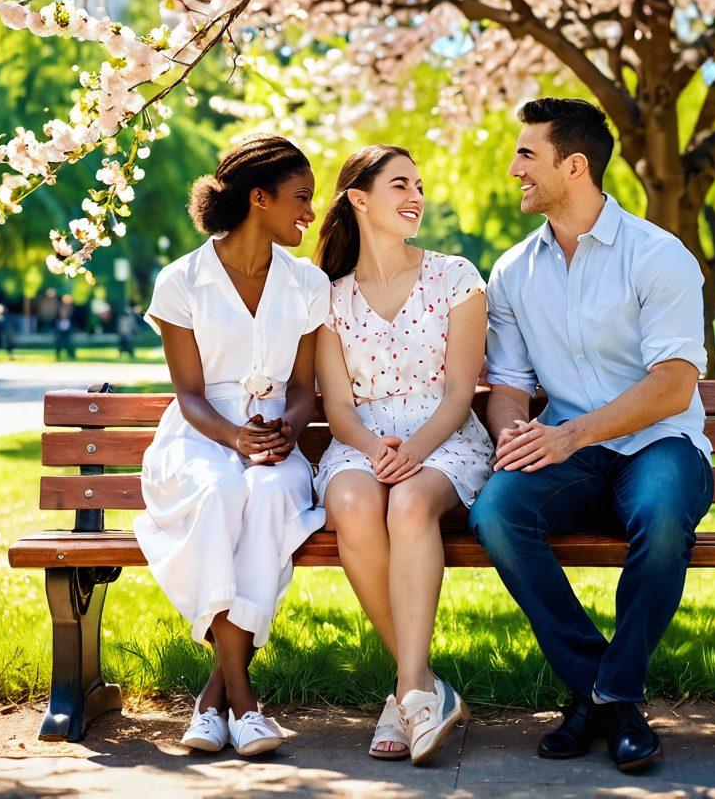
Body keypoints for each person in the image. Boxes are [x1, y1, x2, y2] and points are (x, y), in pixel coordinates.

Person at [469, 98, 713, 774]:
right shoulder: (513, 271)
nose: (513, 167)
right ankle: (607, 693)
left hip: (660, 444)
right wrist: (515, 432)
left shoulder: (657, 255)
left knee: (663, 520)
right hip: (567, 451)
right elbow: (510, 384)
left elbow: (673, 385)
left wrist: (571, 435)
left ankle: (604, 696)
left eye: (527, 154)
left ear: (573, 166)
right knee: (495, 512)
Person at [134, 135, 330, 756]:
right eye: (300, 198)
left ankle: (212, 700)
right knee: (218, 490)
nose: (310, 212)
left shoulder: (307, 283)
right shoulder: (182, 281)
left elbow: (304, 388)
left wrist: (285, 433)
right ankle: (244, 703)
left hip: (274, 441)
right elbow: (189, 396)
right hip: (199, 438)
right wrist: (234, 438)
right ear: (258, 198)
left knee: (269, 495)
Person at [314, 145, 490, 765]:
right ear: (359, 200)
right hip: (362, 441)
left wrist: (412, 452)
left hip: (444, 437)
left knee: (410, 502)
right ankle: (421, 687)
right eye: (399, 186)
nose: (416, 196)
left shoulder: (456, 277)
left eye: (419, 184)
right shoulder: (329, 298)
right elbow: (337, 407)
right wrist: (371, 447)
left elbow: (460, 392)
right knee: (355, 502)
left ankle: (406, 691)